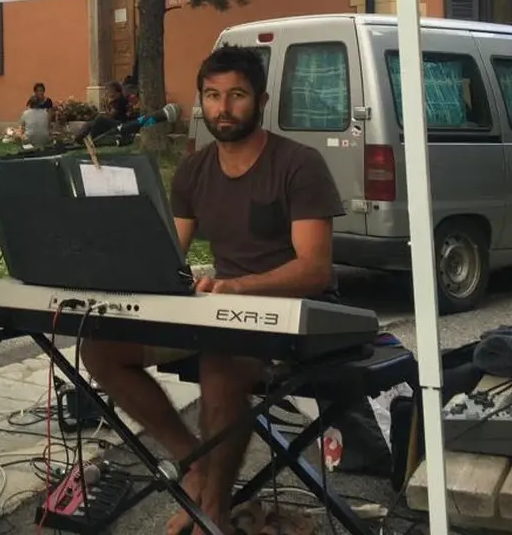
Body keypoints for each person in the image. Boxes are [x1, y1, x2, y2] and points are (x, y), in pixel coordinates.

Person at [80, 46, 344, 535]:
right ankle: (194, 464)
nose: (223, 108)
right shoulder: (194, 169)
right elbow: (169, 255)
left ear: (261, 100)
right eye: (212, 95)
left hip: (291, 315)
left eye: (236, 95)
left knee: (220, 366)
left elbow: (314, 270)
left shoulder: (299, 164)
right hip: (216, 311)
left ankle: (214, 513)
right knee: (101, 350)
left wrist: (237, 286)